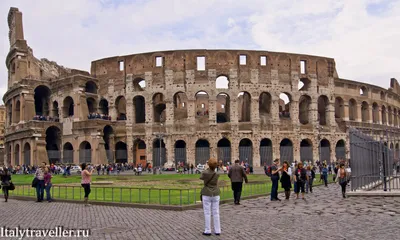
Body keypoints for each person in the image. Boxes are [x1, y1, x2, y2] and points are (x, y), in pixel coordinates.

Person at [200, 158, 221, 236]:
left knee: (207, 212)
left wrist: (207, 168)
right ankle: (217, 230)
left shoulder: (205, 173)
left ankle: (208, 230)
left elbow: (201, 177)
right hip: (215, 192)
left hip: (207, 192)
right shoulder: (217, 174)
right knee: (216, 212)